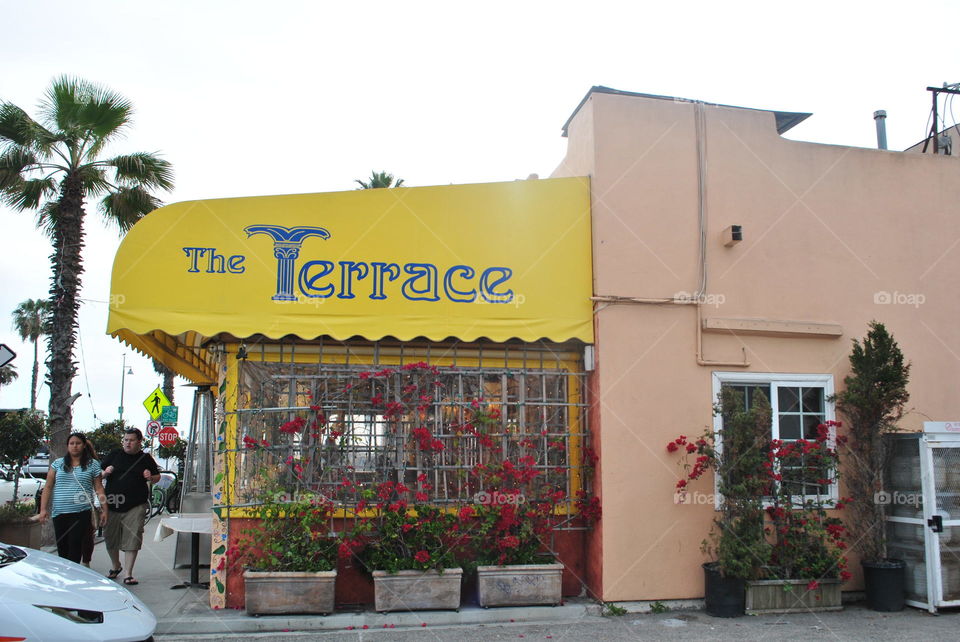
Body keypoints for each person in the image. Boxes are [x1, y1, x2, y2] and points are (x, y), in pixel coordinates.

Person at [38, 432, 109, 564]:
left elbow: (99, 488)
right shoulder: (58, 464)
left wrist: (105, 510)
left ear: (83, 446)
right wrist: (43, 509)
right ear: (67, 446)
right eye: (71, 443)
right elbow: (48, 487)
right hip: (59, 512)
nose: (74, 446)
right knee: (62, 548)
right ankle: (65, 576)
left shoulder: (92, 464)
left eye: (78, 443)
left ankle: (72, 576)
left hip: (81, 512)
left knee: (75, 546)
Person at [101, 428, 160, 585]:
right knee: (109, 537)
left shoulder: (145, 458)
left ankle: (128, 573)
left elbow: (157, 477)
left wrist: (150, 476)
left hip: (136, 504)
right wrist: (106, 472)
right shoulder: (114, 455)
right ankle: (116, 566)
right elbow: (98, 473)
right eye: (126, 440)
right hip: (112, 503)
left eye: (131, 440)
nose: (128, 443)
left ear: (139, 442)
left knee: (133, 537)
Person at [81, 439, 99, 567]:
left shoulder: (93, 465)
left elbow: (99, 486)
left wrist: (98, 504)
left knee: (87, 534)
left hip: (89, 506)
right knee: (87, 535)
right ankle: (85, 561)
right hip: (78, 505)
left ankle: (86, 561)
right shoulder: (66, 464)